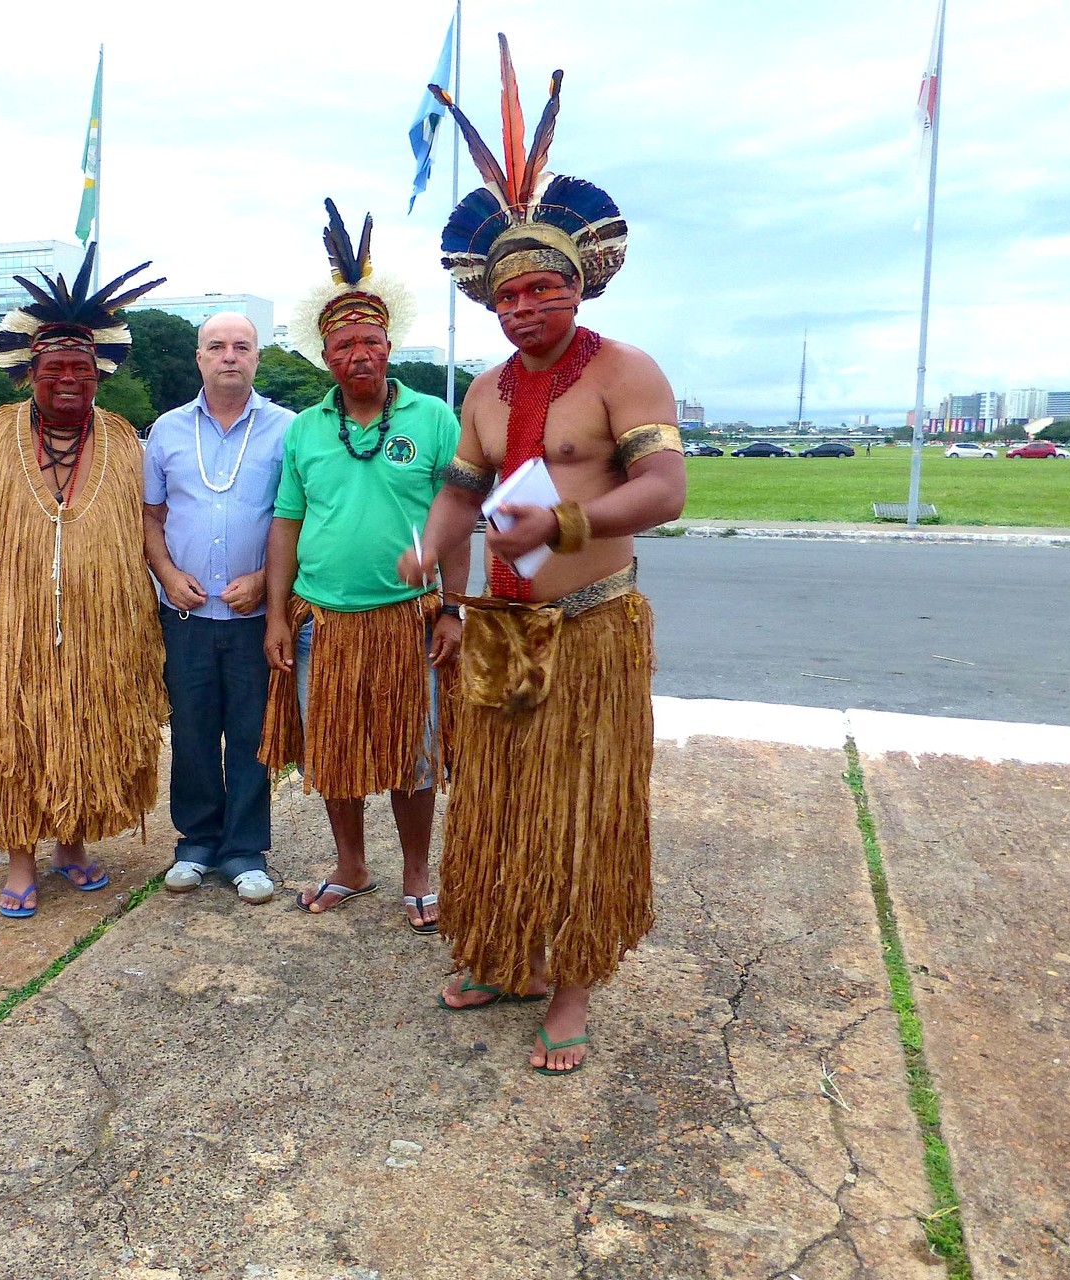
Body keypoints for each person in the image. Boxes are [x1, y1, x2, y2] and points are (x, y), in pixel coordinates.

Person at [401, 49, 686, 1073]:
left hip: (592, 626)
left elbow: (663, 491)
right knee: (495, 799)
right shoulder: (482, 391)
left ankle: (568, 985)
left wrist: (562, 530)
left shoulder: (622, 371)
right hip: (499, 628)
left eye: (541, 287)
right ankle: (502, 950)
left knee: (575, 808)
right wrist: (425, 546)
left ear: (576, 283)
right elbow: (460, 493)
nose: (522, 306)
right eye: (507, 294)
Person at [0, 246, 168, 919]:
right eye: (53, 367)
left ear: (99, 375)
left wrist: (172, 580)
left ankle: (74, 845)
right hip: (9, 617)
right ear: (29, 373)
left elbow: (151, 523)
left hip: (104, 622)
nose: (67, 378)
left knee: (87, 726)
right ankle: (22, 858)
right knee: (15, 731)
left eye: (80, 369)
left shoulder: (124, 440)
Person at [260, 201, 469, 934]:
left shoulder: (435, 419)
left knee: (415, 755)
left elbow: (460, 513)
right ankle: (351, 865)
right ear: (326, 356)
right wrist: (276, 617)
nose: (359, 355)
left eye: (371, 342)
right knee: (336, 752)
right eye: (344, 345)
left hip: (409, 619)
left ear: (388, 345)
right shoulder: (305, 430)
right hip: (322, 618)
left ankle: (418, 872)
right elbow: (286, 524)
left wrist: (453, 607)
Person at [143, 313, 295, 905]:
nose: (229, 356)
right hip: (185, 614)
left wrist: (264, 580)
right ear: (199, 358)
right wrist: (166, 572)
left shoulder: (288, 429)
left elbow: (299, 520)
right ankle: (197, 842)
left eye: (241, 346)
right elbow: (151, 518)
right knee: (194, 729)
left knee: (254, 732)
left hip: (257, 615)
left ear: (258, 357)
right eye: (216, 346)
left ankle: (245, 848)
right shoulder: (167, 430)